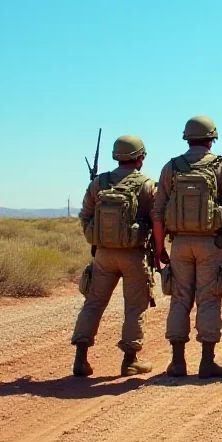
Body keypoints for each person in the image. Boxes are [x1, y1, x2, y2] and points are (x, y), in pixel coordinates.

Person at [151, 115, 222, 379]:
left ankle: (177, 362)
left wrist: (160, 247)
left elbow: (158, 213)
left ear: (187, 138)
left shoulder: (172, 167)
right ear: (212, 139)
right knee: (209, 299)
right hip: (211, 244)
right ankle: (207, 361)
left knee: (180, 299)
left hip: (179, 243)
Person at [72, 135, 156, 377]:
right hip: (133, 255)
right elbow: (157, 219)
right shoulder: (147, 184)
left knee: (93, 303)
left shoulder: (99, 183)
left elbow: (85, 216)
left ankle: (81, 358)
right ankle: (130, 360)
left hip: (103, 255)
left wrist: (98, 239)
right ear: (140, 157)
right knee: (135, 307)